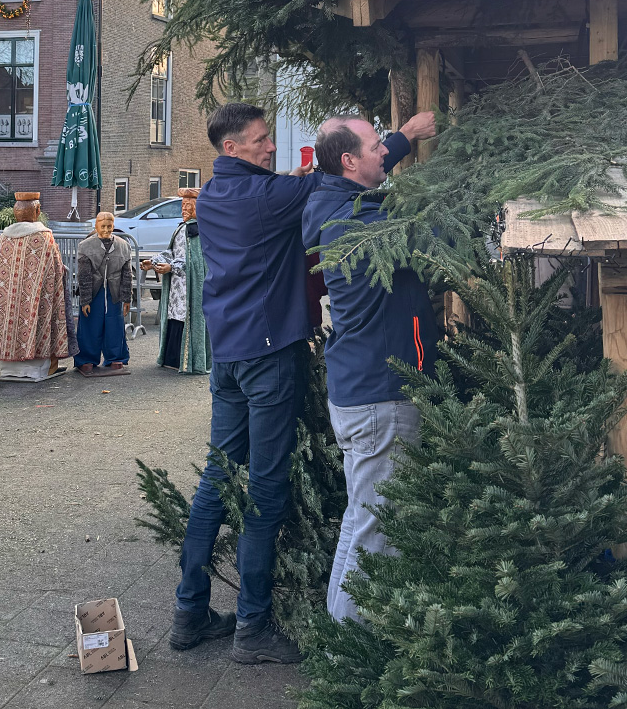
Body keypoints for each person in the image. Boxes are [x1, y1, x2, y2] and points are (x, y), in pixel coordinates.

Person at [171, 102, 433, 665]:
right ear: (232, 147)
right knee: (267, 490)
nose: (272, 146)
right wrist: (406, 135)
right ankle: (252, 628)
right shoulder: (272, 197)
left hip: (227, 355)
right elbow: (338, 173)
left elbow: (299, 183)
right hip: (269, 357)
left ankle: (189, 611)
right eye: (260, 140)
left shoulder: (213, 194)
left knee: (217, 476)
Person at [302, 112, 440, 623]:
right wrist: (464, 187)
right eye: (376, 145)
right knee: (378, 529)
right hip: (383, 395)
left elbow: (372, 164)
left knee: (361, 520)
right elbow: (433, 235)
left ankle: (338, 633)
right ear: (348, 160)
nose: (386, 151)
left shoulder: (331, 200)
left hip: (359, 388)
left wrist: (407, 136)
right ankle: (351, 645)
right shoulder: (360, 224)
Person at [0, 192, 71, 382]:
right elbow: (55, 267)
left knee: (8, 322)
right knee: (37, 320)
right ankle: (37, 368)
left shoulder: (5, 237)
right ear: (37, 211)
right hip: (35, 297)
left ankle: (9, 368)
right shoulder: (44, 237)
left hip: (6, 298)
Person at [147, 187, 210, 374]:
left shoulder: (199, 231)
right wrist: (154, 261)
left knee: (187, 316)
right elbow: (173, 253)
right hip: (177, 285)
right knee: (174, 315)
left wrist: (171, 267)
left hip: (190, 285)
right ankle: (172, 358)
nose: (184, 209)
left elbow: (196, 261)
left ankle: (188, 361)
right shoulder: (181, 228)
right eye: (183, 205)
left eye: (188, 206)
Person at [74, 211, 133, 377]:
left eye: (109, 226)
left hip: (114, 292)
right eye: (103, 226)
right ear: (96, 226)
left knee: (115, 324)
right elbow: (84, 276)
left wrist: (127, 298)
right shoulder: (85, 246)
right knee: (90, 324)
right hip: (94, 291)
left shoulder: (123, 245)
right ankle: (86, 359)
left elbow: (127, 274)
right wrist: (85, 300)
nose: (106, 230)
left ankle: (116, 357)